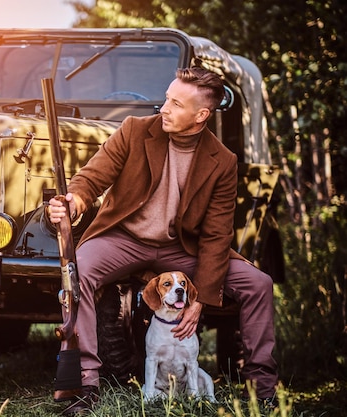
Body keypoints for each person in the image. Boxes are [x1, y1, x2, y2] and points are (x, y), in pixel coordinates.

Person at [48, 67, 279, 415]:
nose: (164, 108)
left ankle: (264, 391)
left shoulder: (223, 161)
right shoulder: (134, 130)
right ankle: (85, 384)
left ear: (201, 115)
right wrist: (74, 202)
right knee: (78, 271)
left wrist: (199, 296)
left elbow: (217, 234)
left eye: (175, 103)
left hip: (179, 249)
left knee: (258, 283)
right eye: (167, 98)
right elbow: (92, 178)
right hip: (124, 237)